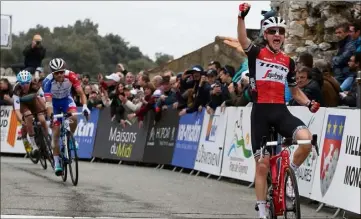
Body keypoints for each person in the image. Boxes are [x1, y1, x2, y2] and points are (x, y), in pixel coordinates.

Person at [235, 3, 320, 219]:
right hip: (261, 113)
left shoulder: (288, 62)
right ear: (265, 34)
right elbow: (243, 39)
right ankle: (263, 210)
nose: (277, 35)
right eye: (272, 31)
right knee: (262, 165)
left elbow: (295, 91)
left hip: (281, 111)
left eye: (281, 32)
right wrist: (241, 17)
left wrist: (308, 103)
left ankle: (288, 177)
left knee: (306, 140)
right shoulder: (256, 52)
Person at [42, 58, 90, 176]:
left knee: (73, 118)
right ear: (53, 73)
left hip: (66, 100)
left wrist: (84, 106)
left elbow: (81, 93)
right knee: (56, 134)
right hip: (53, 103)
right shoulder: (47, 82)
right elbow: (48, 102)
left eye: (62, 72)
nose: (60, 75)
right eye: (57, 73)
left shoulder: (71, 76)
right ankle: (57, 162)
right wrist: (51, 115)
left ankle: (70, 138)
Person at [12, 70, 49, 156]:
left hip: (33, 101)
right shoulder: (16, 89)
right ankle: (32, 144)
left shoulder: (35, 85)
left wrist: (46, 110)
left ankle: (47, 140)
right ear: (19, 83)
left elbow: (44, 99)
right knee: (28, 117)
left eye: (27, 83)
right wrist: (21, 120)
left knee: (42, 120)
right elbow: (17, 110)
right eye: (22, 83)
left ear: (30, 81)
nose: (25, 86)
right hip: (23, 104)